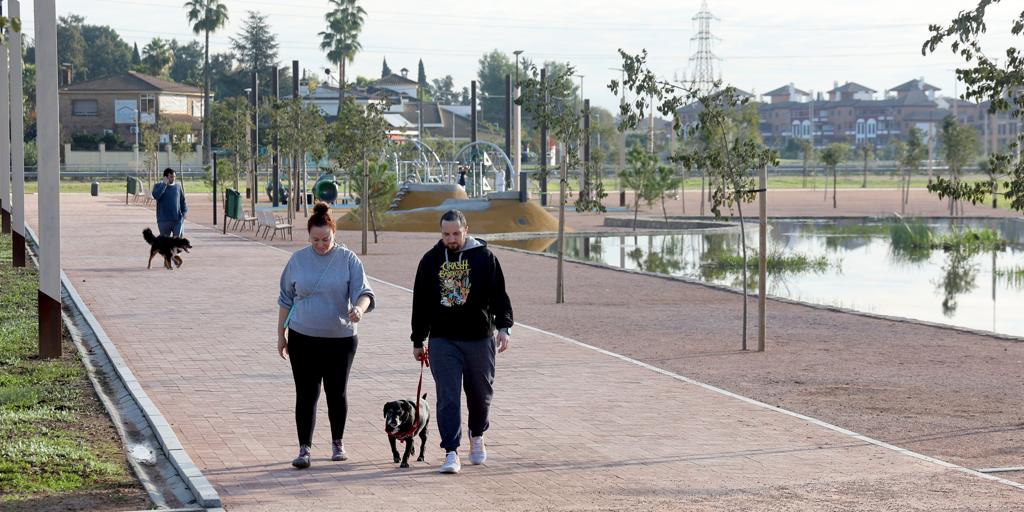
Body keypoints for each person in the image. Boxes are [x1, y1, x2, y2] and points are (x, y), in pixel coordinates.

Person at [410, 209, 513, 474]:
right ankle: (451, 451)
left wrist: (504, 327)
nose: (452, 239)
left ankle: (476, 434)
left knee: (481, 393)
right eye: (446, 234)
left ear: (466, 230)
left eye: (456, 233)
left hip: (479, 337)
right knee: (447, 396)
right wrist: (418, 338)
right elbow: (420, 302)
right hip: (443, 338)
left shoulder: (484, 257)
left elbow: (499, 294)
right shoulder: (431, 260)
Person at [277, 202, 375, 469]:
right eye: (315, 240)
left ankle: (337, 442)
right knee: (306, 393)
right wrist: (281, 334)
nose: (320, 244)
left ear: (334, 233)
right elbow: (285, 299)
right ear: (308, 236)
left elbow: (365, 293)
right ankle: (304, 448)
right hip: (302, 337)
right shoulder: (297, 260)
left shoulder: (348, 259)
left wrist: (358, 309)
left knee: (336, 391)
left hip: (340, 339)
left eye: (326, 239)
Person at [152, 168, 187, 237]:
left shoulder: (178, 187)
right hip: (163, 220)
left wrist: (184, 212)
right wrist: (164, 184)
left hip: (177, 220)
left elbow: (182, 201)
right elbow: (156, 196)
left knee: (177, 242)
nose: (173, 178)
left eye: (174, 177)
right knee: (166, 244)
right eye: (171, 177)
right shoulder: (157, 186)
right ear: (165, 177)